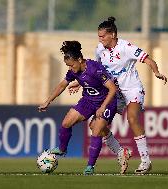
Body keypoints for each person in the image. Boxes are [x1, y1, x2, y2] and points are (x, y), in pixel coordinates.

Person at [69, 17, 167, 174]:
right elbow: (97, 71)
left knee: (132, 118)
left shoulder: (126, 47)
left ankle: (145, 161)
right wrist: (79, 82)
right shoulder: (99, 50)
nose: (100, 39)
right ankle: (122, 152)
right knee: (95, 126)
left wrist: (156, 72)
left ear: (113, 34)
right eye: (99, 36)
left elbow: (148, 60)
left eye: (103, 36)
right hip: (114, 92)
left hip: (132, 89)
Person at [38, 40, 118, 175]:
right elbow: (62, 85)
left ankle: (90, 167)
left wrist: (103, 106)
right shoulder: (73, 71)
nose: (70, 69)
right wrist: (48, 101)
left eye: (72, 65)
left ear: (80, 59)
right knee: (66, 122)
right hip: (88, 100)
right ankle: (62, 149)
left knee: (96, 129)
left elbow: (112, 89)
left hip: (107, 101)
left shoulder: (95, 68)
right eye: (68, 66)